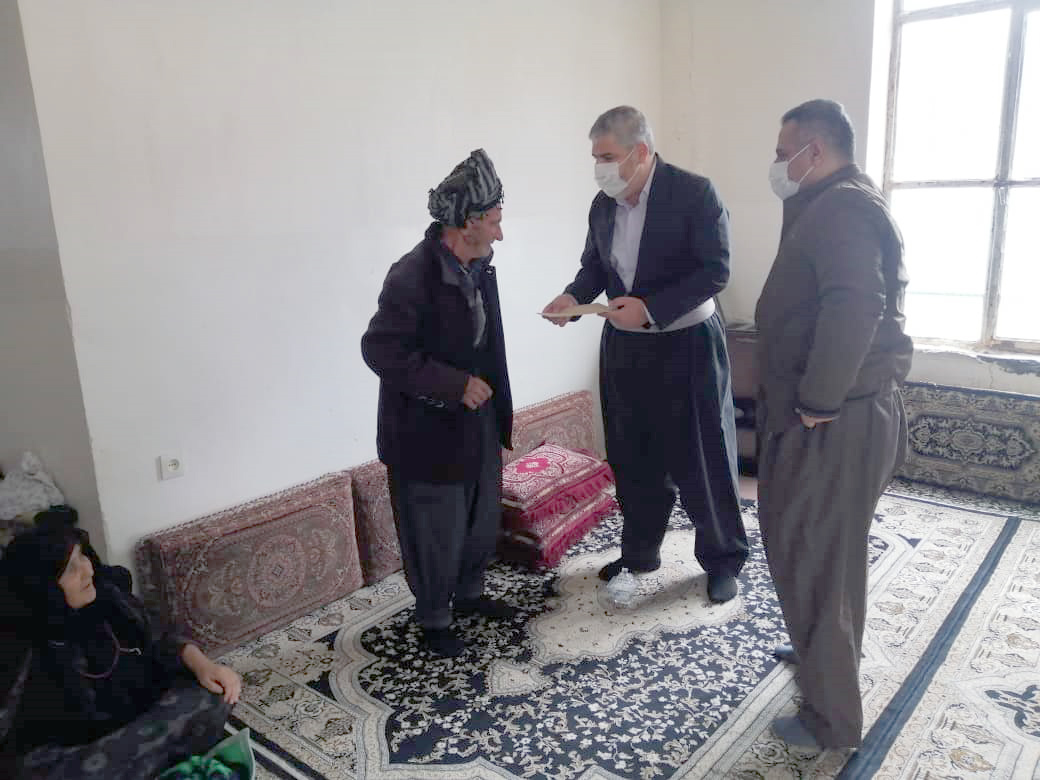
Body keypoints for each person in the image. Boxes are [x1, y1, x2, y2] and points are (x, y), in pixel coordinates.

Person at [755, 99, 913, 749]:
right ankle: (818, 657)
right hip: (838, 414)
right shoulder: (834, 201)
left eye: (781, 151)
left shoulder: (842, 208)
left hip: (836, 420)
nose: (776, 164)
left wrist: (818, 400)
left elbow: (855, 306)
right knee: (819, 553)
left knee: (817, 558)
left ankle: (831, 722)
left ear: (813, 151)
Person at [542, 106, 748, 603]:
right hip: (625, 348)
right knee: (633, 456)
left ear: (640, 152)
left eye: (607, 157)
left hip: (687, 344)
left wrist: (652, 309)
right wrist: (572, 297)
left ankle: (722, 560)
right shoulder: (603, 204)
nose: (599, 168)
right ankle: (639, 553)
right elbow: (595, 267)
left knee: (703, 456)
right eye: (595, 158)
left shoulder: (695, 193)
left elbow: (715, 271)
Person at [361, 148, 515, 658]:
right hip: (425, 432)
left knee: (479, 519)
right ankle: (434, 617)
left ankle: (469, 594)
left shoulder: (478, 265)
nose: (500, 232)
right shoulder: (412, 275)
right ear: (467, 222)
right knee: (435, 531)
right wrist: (453, 385)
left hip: (475, 422)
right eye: (494, 221)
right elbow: (380, 350)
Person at [0, 524, 241, 779]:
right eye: (71, 568)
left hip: (140, 719)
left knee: (215, 691)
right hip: (82, 750)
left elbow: (161, 635)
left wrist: (204, 665)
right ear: (43, 585)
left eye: (82, 556)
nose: (88, 570)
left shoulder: (108, 597)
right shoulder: (20, 646)